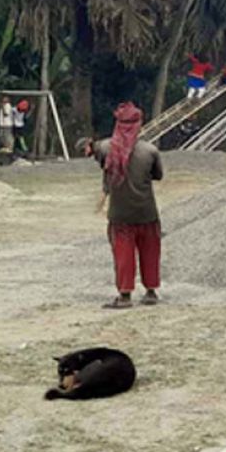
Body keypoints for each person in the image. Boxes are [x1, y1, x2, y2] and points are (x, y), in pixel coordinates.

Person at [85, 102, 164, 309]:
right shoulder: (150, 151)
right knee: (150, 252)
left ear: (118, 123)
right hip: (147, 211)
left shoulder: (106, 148)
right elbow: (158, 175)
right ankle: (151, 292)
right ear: (139, 124)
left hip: (120, 214)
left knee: (123, 255)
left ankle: (125, 295)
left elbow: (94, 153)